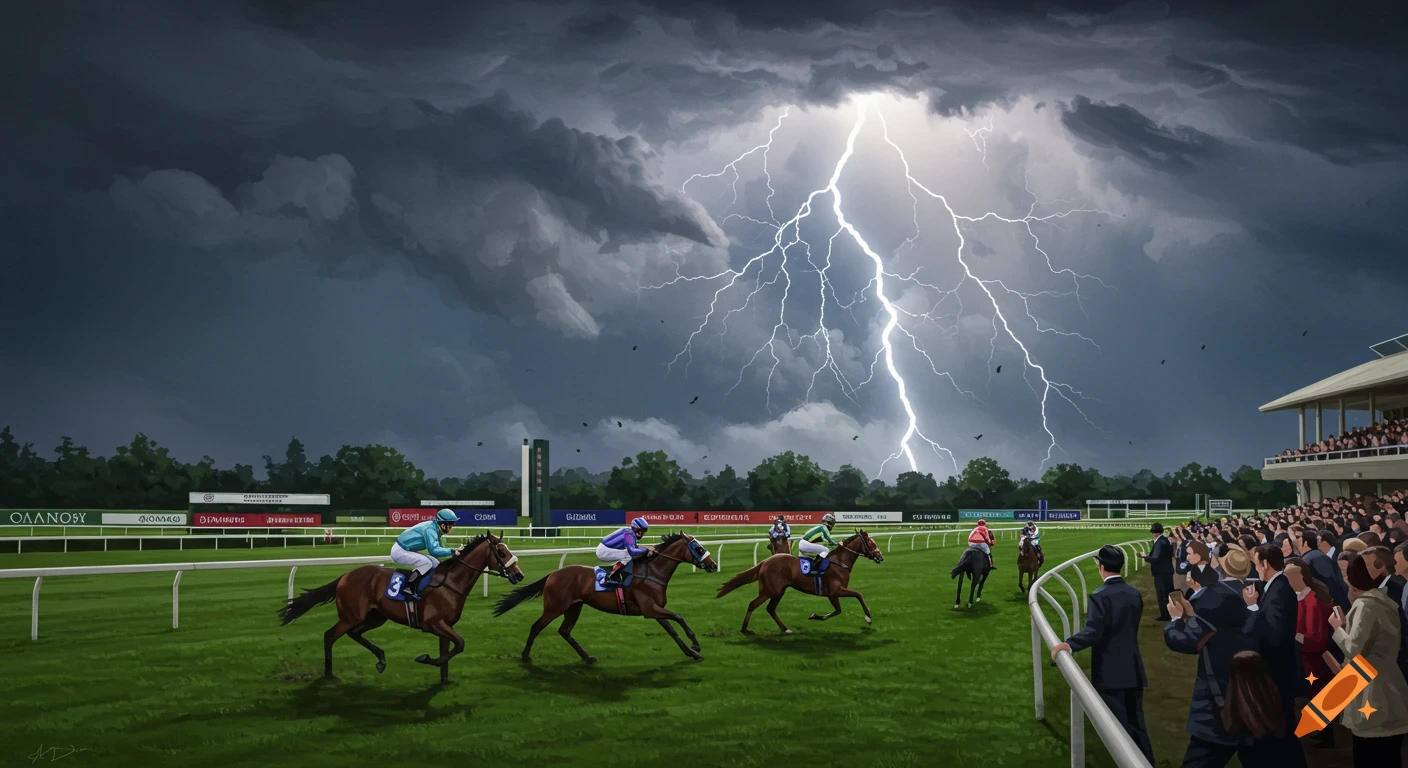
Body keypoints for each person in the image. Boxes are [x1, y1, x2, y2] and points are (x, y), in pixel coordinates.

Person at [1050, 545, 1154, 764]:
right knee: (1137, 726)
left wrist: (1068, 645)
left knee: (1120, 731)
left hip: (1110, 672)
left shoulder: (1099, 595)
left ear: (1101, 566)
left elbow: (1094, 632)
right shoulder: (1134, 593)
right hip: (1133, 669)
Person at [1164, 574, 1257, 766]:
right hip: (1256, 713)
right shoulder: (1253, 623)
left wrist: (1175, 619)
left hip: (1215, 718)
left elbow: (1184, 640)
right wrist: (1190, 616)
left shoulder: (1213, 640)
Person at [1330, 554, 1408, 766]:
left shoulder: (1365, 605)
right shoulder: (1385, 602)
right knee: (1390, 754)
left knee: (1370, 753)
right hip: (1389, 682)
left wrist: (1338, 628)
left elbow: (1354, 649)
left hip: (1371, 690)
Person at [1240, 545, 1308, 767]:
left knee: (1282, 729)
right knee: (1284, 729)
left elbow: (1273, 635)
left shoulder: (1278, 590)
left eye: (1256, 562)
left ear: (1265, 564)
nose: (1255, 566)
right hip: (1279, 670)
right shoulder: (1277, 586)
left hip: (1276, 672)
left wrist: (1252, 608)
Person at [390, 509, 458, 601]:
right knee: (427, 563)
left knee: (435, 563)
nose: (451, 528)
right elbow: (433, 551)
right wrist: (453, 551)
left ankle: (427, 587)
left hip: (406, 549)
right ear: (442, 524)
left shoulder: (436, 528)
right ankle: (408, 588)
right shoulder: (430, 530)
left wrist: (451, 552)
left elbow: (439, 550)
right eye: (450, 525)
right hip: (400, 551)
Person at [598, 517, 652, 584]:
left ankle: (616, 572)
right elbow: (632, 551)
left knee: (627, 554)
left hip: (604, 548)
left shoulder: (628, 531)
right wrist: (646, 549)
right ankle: (609, 576)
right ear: (635, 528)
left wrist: (645, 548)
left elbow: (634, 547)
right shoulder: (629, 535)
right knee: (628, 555)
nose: (642, 534)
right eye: (640, 531)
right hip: (603, 551)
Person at [1144, 523, 1175, 621]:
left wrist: (1145, 557)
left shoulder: (1159, 542)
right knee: (1168, 594)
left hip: (1161, 573)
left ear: (1154, 533)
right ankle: (1172, 612)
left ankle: (1165, 615)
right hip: (1167, 571)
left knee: (1162, 595)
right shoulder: (1165, 540)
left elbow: (1155, 558)